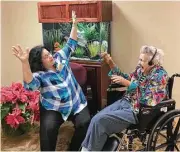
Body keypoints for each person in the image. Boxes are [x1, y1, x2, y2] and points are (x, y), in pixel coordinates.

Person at [12, 11, 91, 151]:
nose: (50, 56)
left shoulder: (60, 57)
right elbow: (30, 86)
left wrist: (75, 24)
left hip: (76, 101)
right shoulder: (40, 75)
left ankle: (73, 149)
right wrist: (24, 62)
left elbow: (71, 43)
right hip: (54, 107)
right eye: (46, 56)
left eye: (48, 53)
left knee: (85, 123)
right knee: (48, 129)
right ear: (40, 63)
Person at [81, 45, 169, 151]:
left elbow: (149, 98)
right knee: (95, 119)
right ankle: (86, 149)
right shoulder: (140, 70)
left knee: (100, 121)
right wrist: (110, 63)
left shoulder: (160, 76)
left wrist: (127, 84)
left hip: (138, 110)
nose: (139, 62)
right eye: (139, 59)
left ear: (152, 63)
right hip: (125, 101)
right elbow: (127, 78)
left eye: (142, 60)